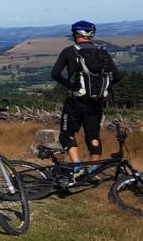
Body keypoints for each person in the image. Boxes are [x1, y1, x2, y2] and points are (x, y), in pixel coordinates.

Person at [50, 20, 122, 178]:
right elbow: (117, 76)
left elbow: (55, 74)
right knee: (93, 136)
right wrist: (105, 89)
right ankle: (93, 170)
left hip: (75, 102)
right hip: (95, 103)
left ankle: (77, 167)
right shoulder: (103, 53)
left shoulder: (69, 51)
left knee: (66, 134)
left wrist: (69, 85)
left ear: (76, 35)